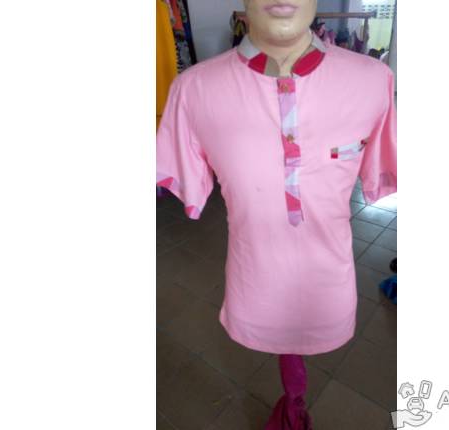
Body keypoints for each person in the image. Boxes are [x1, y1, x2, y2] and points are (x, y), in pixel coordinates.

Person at [156, 1, 397, 428]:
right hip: (254, 287)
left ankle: (296, 404)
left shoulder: (374, 80)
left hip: (330, 289)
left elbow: (378, 175)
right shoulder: (193, 90)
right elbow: (190, 189)